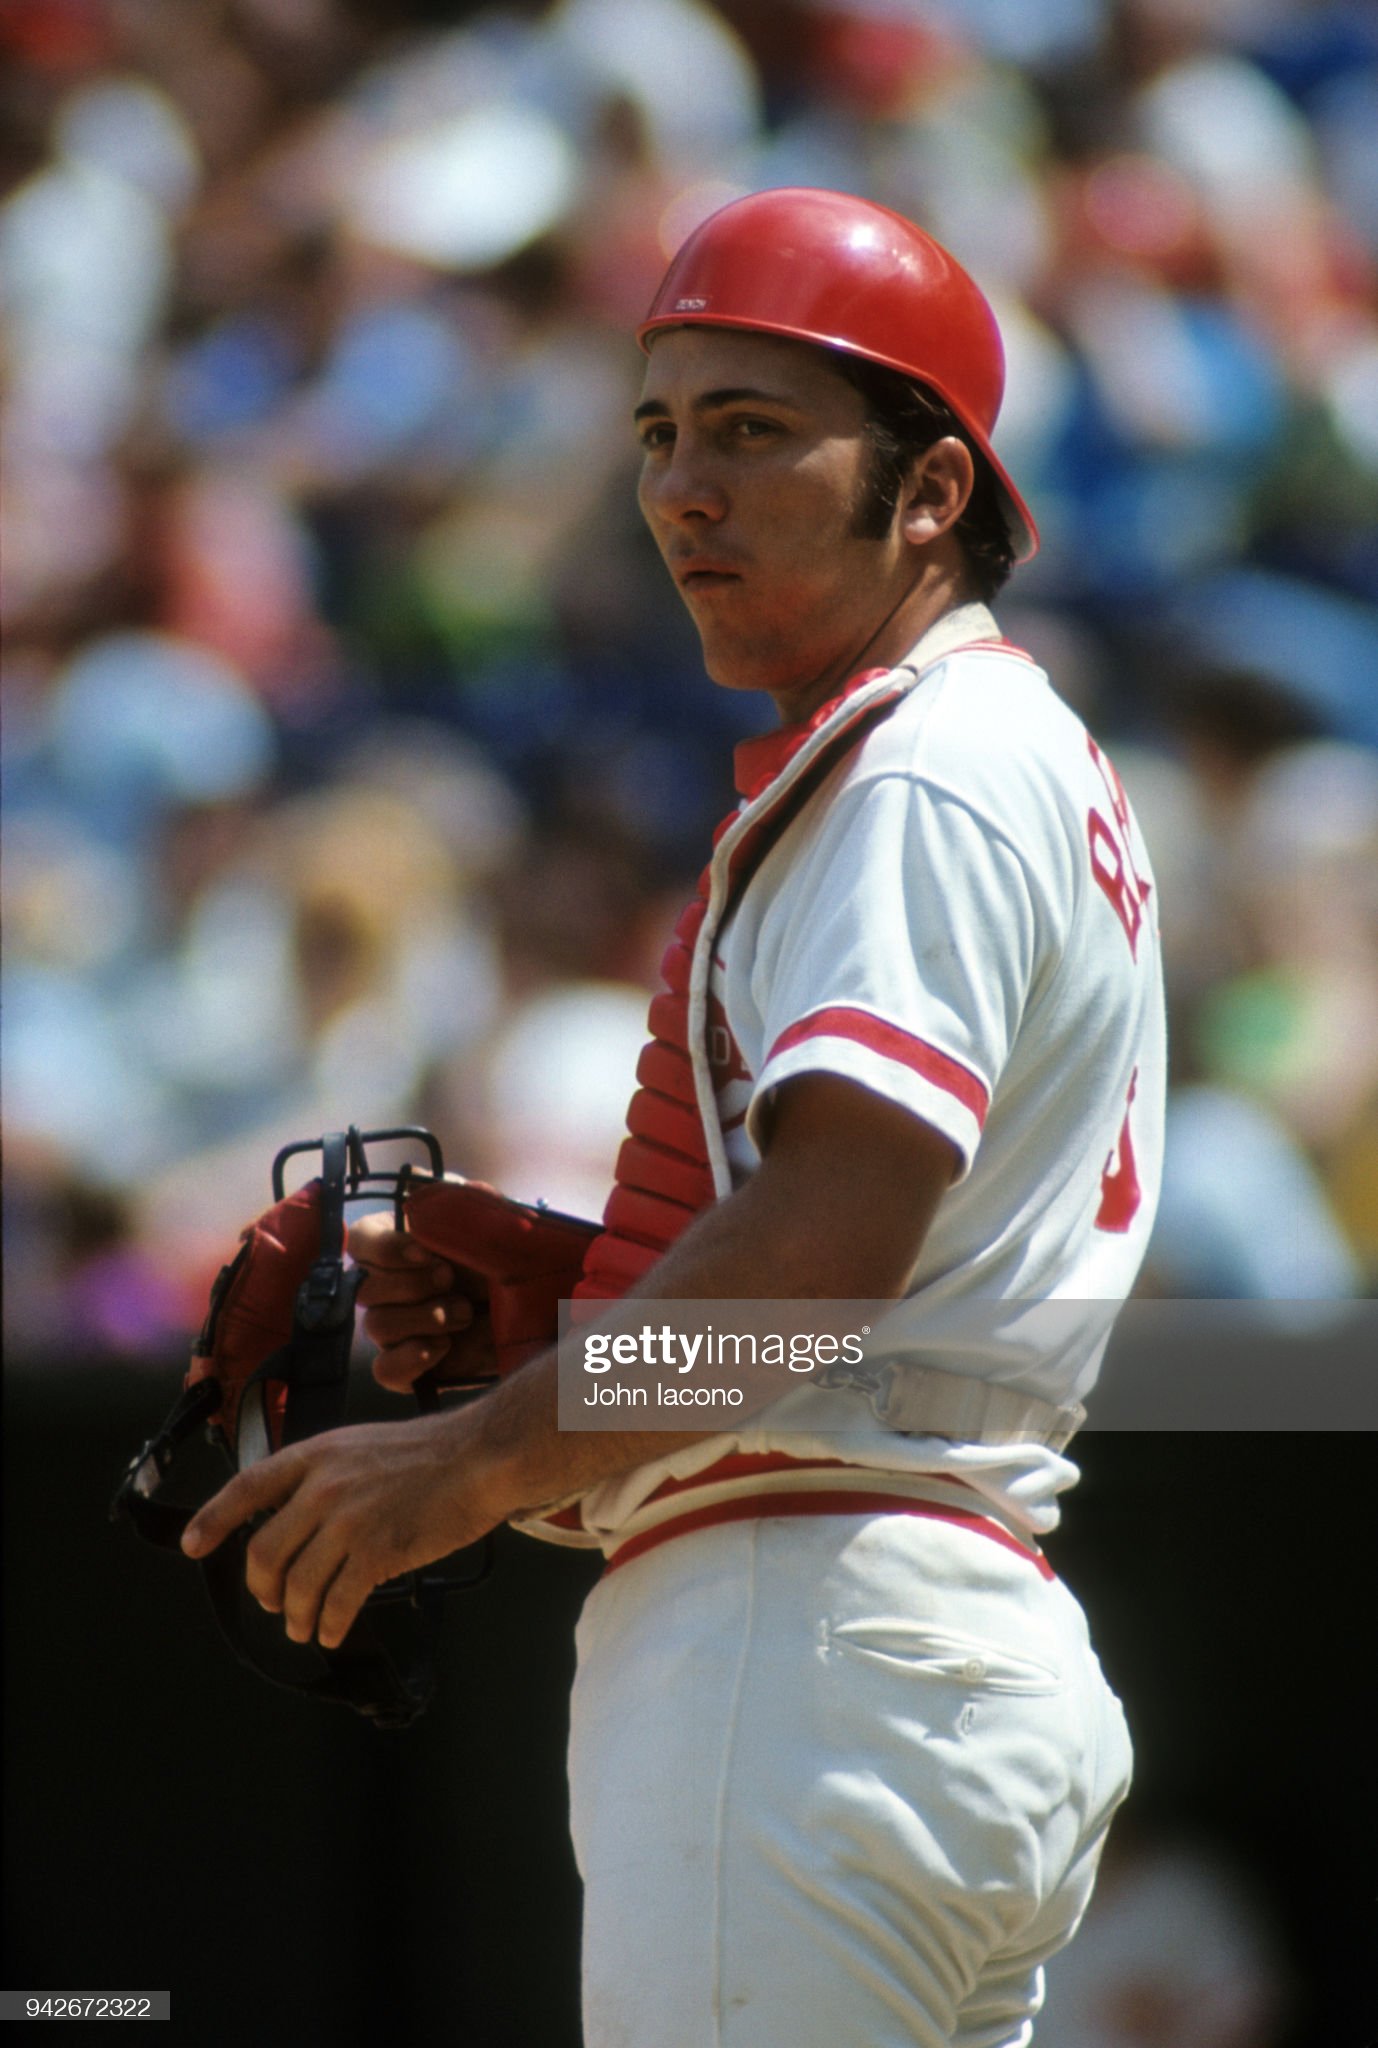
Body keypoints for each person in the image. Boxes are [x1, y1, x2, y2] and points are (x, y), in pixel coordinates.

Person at [183, 188, 1164, 2047]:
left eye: (750, 430)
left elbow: (808, 1277)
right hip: (920, 1636)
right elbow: (828, 1267)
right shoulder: (993, 751)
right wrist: (604, 1297)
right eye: (655, 433)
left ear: (933, 491)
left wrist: (471, 1457)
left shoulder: (922, 768)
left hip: (807, 1653)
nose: (679, 491)